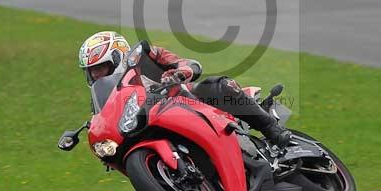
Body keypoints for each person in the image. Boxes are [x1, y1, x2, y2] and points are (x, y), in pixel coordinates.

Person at [77, 31, 293, 147]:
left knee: (219, 86)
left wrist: (180, 74)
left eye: (100, 68)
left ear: (117, 57)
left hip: (186, 101)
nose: (96, 75)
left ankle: (271, 129)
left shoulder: (145, 57)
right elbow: (105, 118)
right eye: (92, 71)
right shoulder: (104, 95)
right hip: (152, 124)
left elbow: (191, 64)